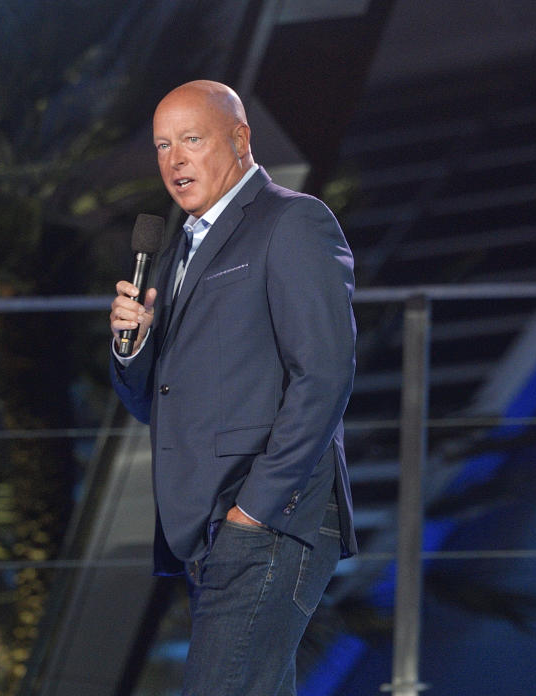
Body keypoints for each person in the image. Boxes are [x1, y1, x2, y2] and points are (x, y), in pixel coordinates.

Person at [109, 80, 357, 696]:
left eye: (192, 140)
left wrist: (254, 509)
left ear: (240, 139)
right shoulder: (180, 249)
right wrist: (133, 345)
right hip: (210, 528)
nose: (175, 161)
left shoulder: (292, 221)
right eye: (164, 146)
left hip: (267, 519)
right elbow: (154, 404)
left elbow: (323, 375)